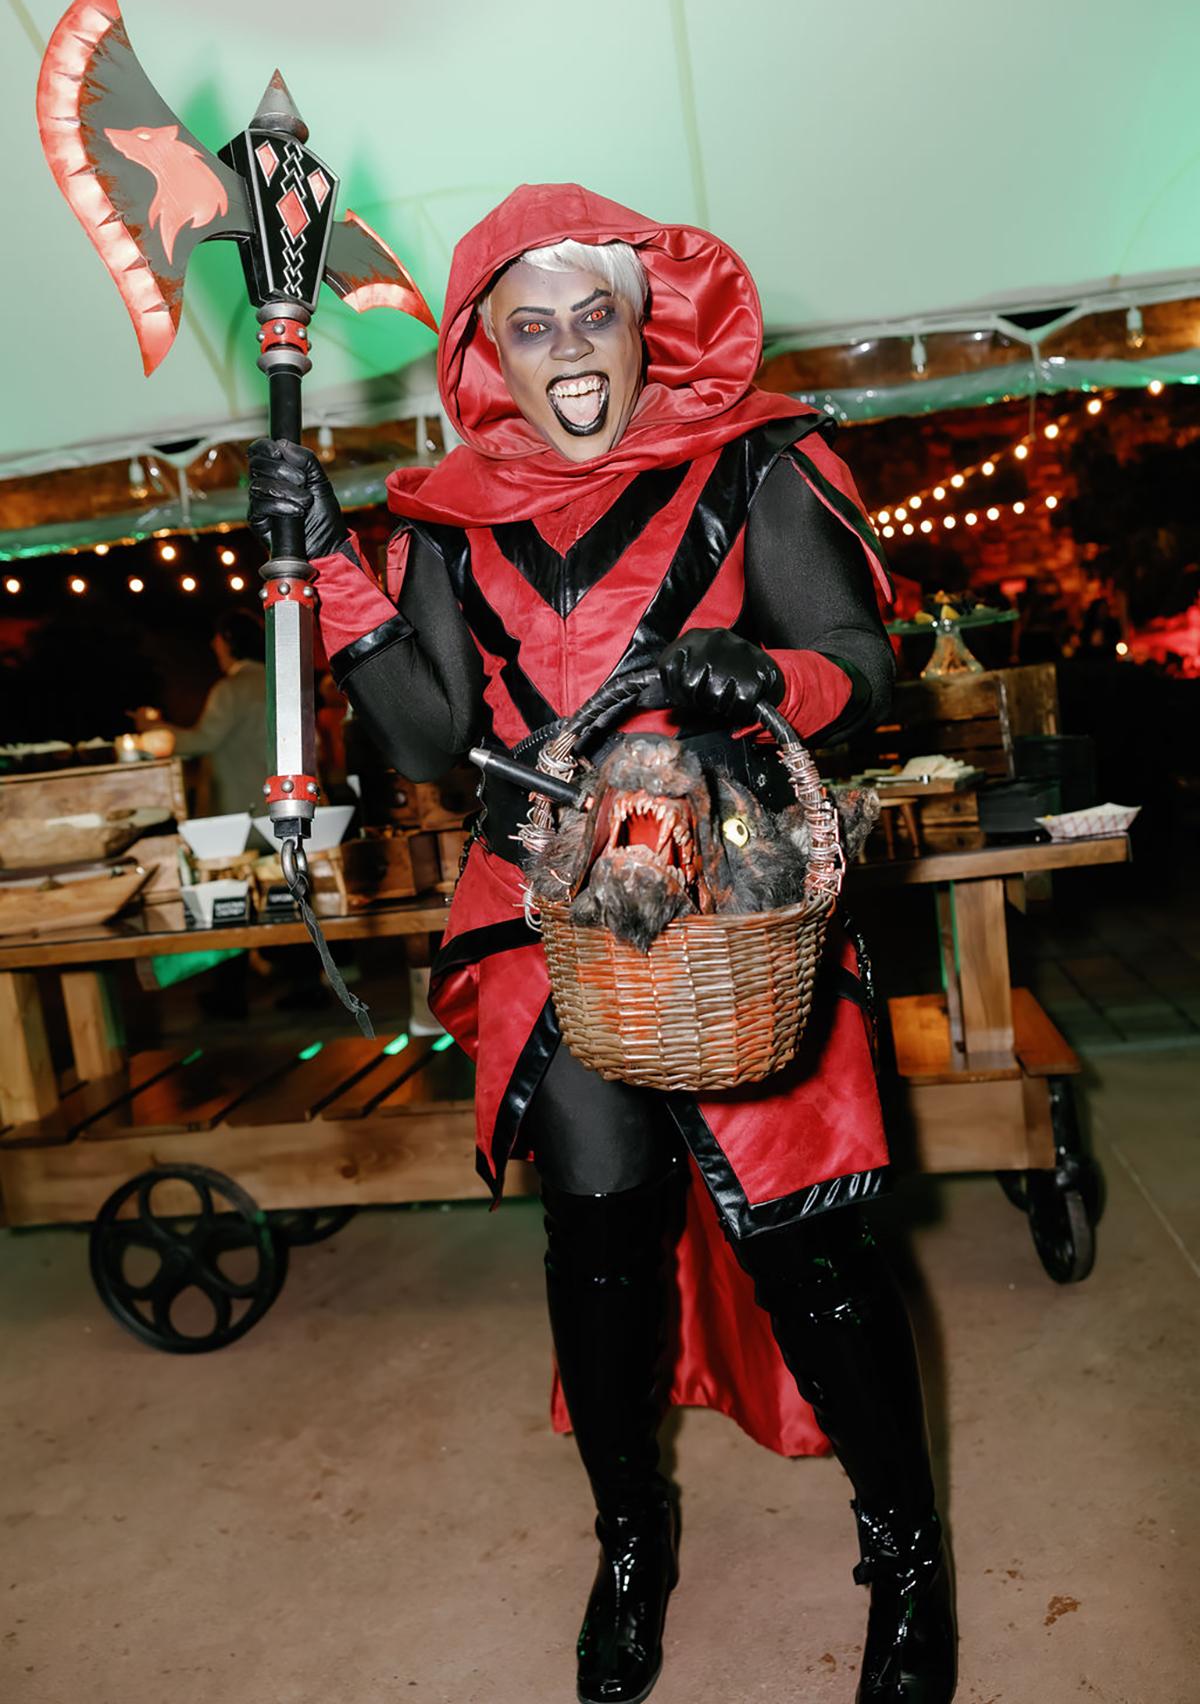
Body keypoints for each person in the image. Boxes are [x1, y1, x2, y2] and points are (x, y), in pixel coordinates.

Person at [248, 185, 957, 1704]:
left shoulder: (756, 454)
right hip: (544, 922)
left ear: (646, 326)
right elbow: (440, 744)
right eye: (531, 324)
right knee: (601, 1243)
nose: (568, 351)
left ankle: (907, 1559)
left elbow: (861, 664)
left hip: (736, 900)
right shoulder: (446, 520)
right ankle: (631, 1544)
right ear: (488, 350)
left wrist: (750, 666)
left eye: (594, 316)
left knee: (805, 1241)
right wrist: (340, 571)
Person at [136, 609, 268, 814]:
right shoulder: (278, 681)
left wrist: (154, 730)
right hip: (286, 800)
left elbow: (203, 740)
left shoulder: (231, 688)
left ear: (228, 641)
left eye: (216, 639)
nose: (213, 645)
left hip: (248, 804)